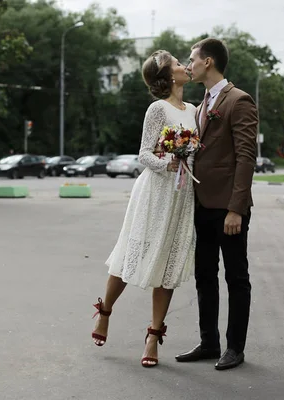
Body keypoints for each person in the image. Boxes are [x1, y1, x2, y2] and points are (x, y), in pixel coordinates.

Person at [91, 50, 196, 368]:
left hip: (181, 195)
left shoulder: (192, 109)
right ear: (166, 76)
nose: (184, 66)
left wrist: (188, 157)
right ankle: (105, 311)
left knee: (168, 263)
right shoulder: (157, 109)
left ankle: (153, 335)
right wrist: (170, 160)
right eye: (178, 64)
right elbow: (143, 155)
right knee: (132, 253)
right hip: (154, 193)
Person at [175, 38, 258, 371]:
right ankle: (209, 342)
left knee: (236, 277)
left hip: (228, 209)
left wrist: (236, 208)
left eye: (192, 59)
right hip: (201, 204)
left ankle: (235, 348)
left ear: (208, 62)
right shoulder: (201, 105)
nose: (188, 64)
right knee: (204, 276)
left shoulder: (239, 100)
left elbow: (246, 156)